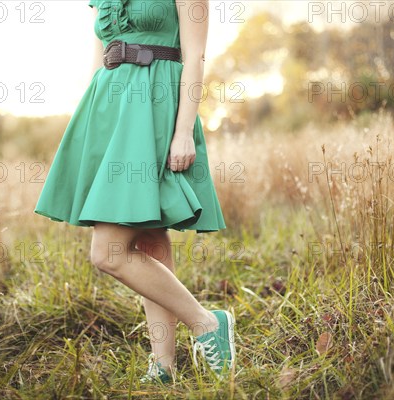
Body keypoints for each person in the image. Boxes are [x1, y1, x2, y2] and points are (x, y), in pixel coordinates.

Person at [33, 0, 235, 384]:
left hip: (156, 106)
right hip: (109, 109)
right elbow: (99, 62)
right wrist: (90, 136)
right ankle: (164, 366)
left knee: (108, 253)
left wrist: (181, 132)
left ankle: (207, 323)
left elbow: (195, 57)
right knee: (149, 240)